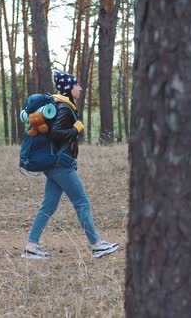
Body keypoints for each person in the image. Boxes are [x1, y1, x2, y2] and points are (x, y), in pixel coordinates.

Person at [21, 71, 120, 259]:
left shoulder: (59, 105)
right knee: (81, 202)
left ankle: (31, 246)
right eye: (76, 85)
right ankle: (97, 245)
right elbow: (56, 134)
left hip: (54, 164)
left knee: (48, 206)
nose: (80, 88)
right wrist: (76, 128)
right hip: (61, 165)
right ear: (68, 88)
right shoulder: (64, 108)